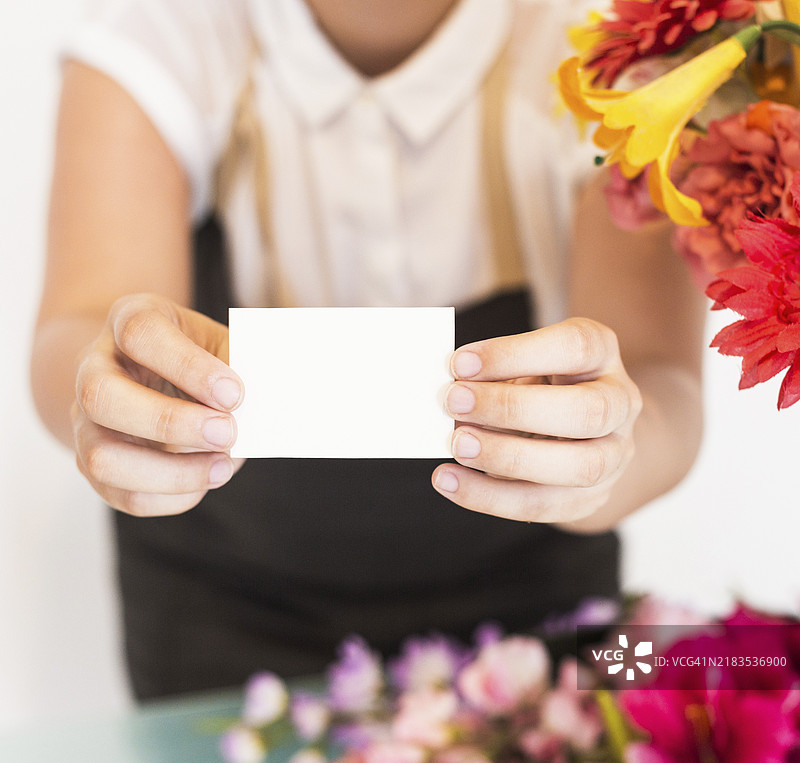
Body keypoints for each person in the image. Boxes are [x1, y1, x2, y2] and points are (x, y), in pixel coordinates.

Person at [31, 0, 706, 700]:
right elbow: (79, 324)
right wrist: (111, 391)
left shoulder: (612, 59)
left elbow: (661, 382)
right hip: (221, 621)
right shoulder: (160, 40)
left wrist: (610, 455)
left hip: (534, 619)